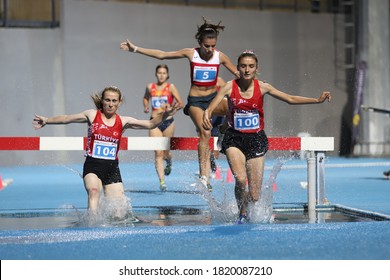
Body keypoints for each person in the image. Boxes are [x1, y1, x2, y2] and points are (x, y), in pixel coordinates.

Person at [202, 50, 332, 223]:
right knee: (240, 179)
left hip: (256, 140)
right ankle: (242, 212)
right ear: (238, 68)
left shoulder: (263, 87)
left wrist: (317, 100)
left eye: (251, 66)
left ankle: (246, 204)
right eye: (243, 66)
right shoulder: (229, 87)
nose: (247, 70)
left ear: (256, 69)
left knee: (255, 195)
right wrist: (207, 114)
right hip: (234, 139)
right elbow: (212, 106)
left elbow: (290, 98)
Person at [120, 17, 240, 191]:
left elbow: (238, 73)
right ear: (200, 42)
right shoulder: (191, 53)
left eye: (213, 46)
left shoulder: (220, 57)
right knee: (205, 132)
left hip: (213, 100)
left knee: (236, 106)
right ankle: (204, 177)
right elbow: (163, 54)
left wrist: (254, 81)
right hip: (196, 103)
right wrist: (136, 49)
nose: (210, 50)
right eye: (207, 46)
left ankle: (222, 132)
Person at [33, 86, 180, 222]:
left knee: (119, 214)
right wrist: (47, 120)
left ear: (119, 103)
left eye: (114, 101)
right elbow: (66, 118)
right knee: (94, 191)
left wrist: (166, 113)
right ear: (102, 101)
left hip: (112, 169)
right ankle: (92, 225)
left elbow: (149, 124)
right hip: (92, 166)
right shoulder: (91, 115)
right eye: (107, 100)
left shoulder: (123, 121)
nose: (110, 104)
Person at [143, 64, 184, 191]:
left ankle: (169, 161)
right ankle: (162, 182)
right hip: (154, 122)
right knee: (158, 152)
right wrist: (146, 106)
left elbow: (181, 103)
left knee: (166, 152)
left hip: (168, 122)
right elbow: (145, 98)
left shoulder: (170, 87)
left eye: (164, 73)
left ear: (167, 75)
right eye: (159, 72)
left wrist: (172, 109)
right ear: (156, 74)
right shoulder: (150, 87)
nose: (161, 75)